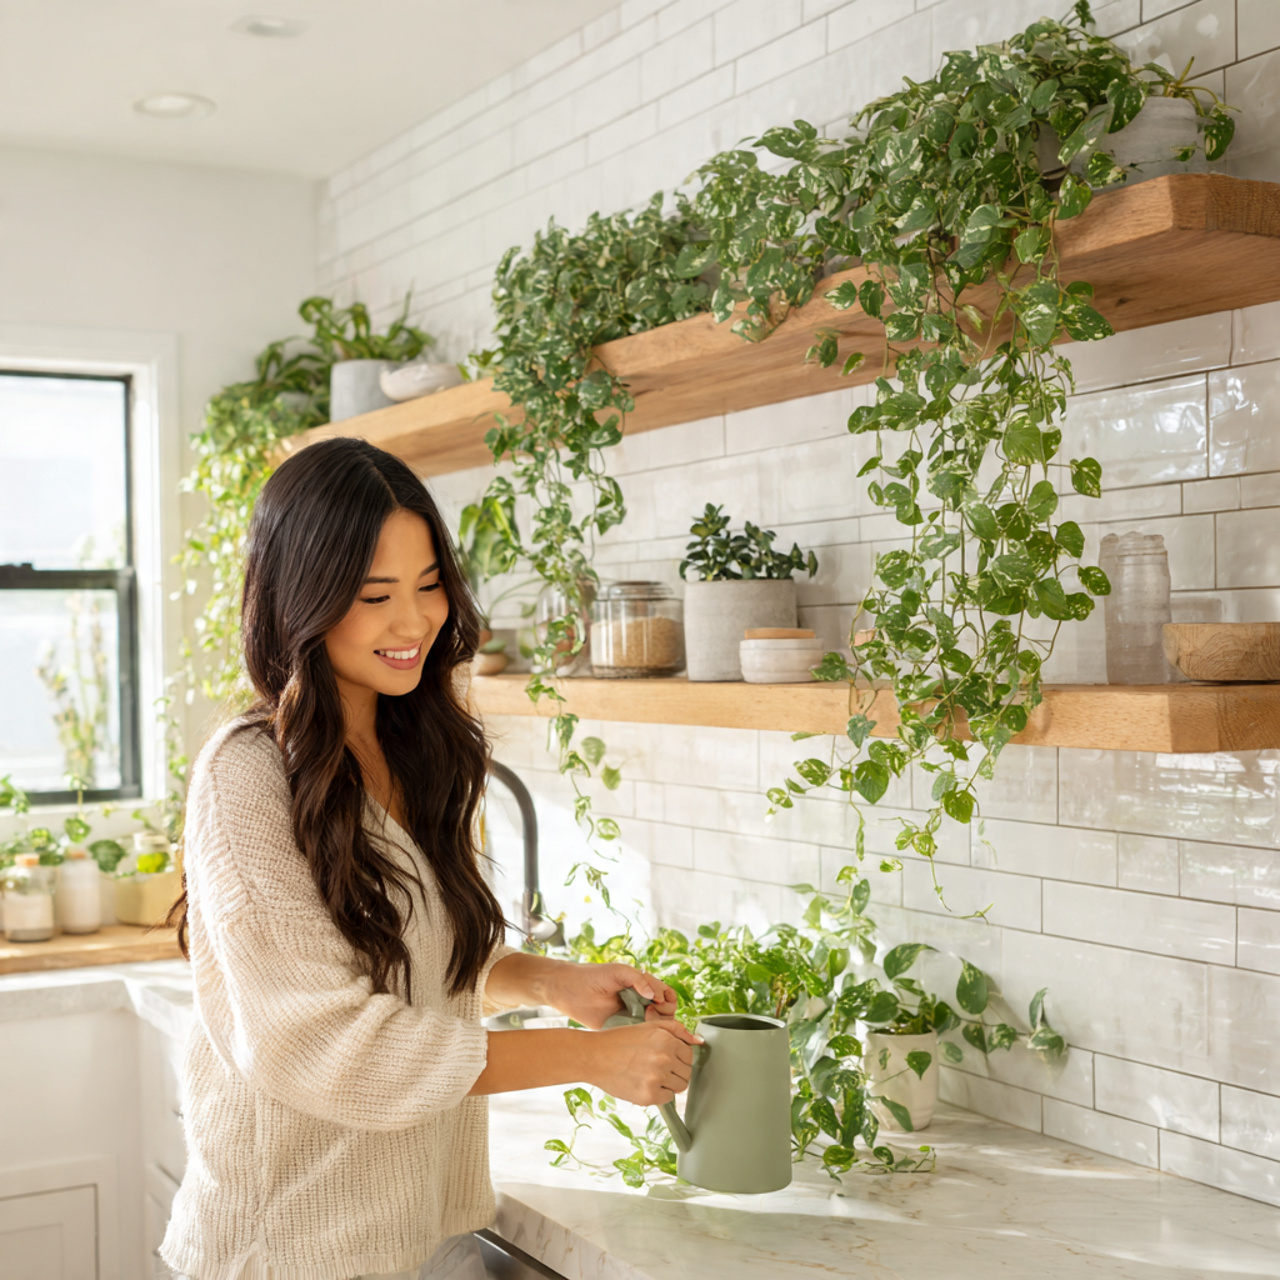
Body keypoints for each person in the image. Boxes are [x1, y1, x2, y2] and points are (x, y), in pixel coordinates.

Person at [160, 438, 699, 1280]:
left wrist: (550, 983)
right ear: (302, 598)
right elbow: (325, 1043)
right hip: (288, 1248)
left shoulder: (418, 747)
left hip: (417, 1233)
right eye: (376, 595)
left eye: (429, 585)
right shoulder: (247, 774)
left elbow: (411, 954)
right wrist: (587, 1061)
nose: (413, 622)